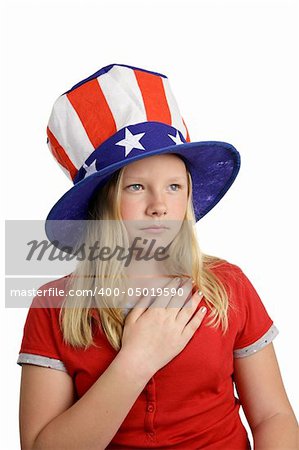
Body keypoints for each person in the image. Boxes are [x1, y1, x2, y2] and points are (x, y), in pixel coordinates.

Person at [17, 64, 298, 450]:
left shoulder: (228, 286)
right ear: (102, 204)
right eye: (136, 186)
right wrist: (137, 360)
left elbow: (273, 416)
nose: (158, 206)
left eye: (173, 186)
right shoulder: (55, 307)